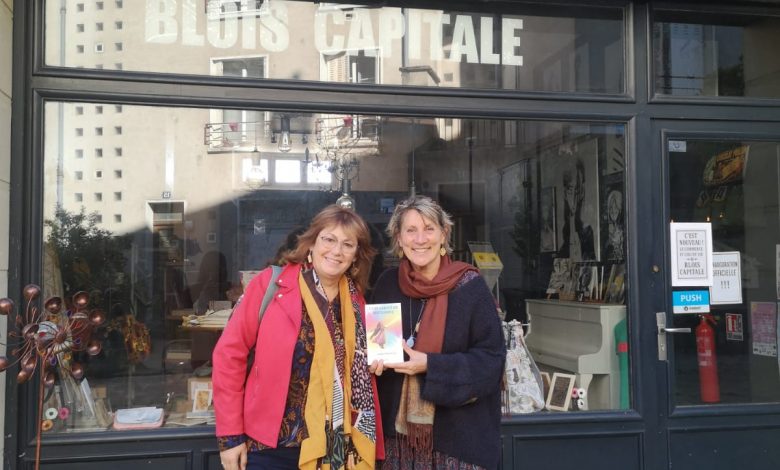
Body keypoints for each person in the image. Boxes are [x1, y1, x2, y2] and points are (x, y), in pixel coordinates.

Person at [213, 205, 384, 470]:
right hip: (272, 445)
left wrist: (377, 361)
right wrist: (230, 437)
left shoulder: (356, 301)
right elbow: (228, 357)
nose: (336, 251)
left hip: (335, 446)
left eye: (347, 244)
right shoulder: (270, 284)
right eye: (329, 239)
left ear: (356, 255)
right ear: (312, 242)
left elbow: (365, 365)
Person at [369, 195, 506, 470]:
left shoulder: (470, 286)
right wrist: (374, 362)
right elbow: (376, 343)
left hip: (459, 444)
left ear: (444, 234)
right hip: (398, 445)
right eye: (411, 230)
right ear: (399, 238)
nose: (420, 239)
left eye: (429, 229)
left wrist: (430, 365)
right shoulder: (386, 284)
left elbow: (492, 361)